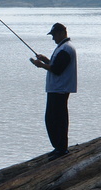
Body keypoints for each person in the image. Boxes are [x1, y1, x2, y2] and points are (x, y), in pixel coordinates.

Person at [30, 23, 77, 160]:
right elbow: (57, 65)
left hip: (59, 89)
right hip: (57, 88)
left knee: (56, 119)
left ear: (62, 33)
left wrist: (42, 65)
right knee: (53, 118)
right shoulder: (63, 48)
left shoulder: (65, 49)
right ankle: (58, 147)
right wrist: (46, 60)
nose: (53, 38)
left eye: (54, 35)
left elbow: (57, 70)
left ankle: (61, 149)